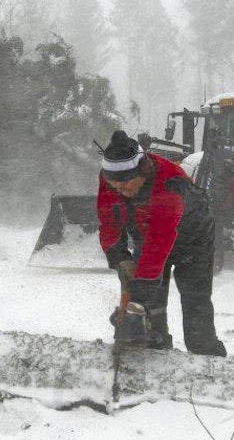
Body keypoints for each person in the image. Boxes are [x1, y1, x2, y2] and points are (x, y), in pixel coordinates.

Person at [97, 130, 227, 356]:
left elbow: (157, 244)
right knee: (150, 310)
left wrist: (136, 300)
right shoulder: (111, 179)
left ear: (142, 170)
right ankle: (155, 347)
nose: (119, 189)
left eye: (125, 183)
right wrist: (120, 258)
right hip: (147, 235)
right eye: (114, 184)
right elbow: (108, 217)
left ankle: (207, 354)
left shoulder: (168, 185)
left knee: (195, 300)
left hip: (193, 240)